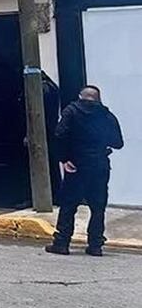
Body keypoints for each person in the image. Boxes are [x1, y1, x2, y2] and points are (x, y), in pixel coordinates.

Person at [45, 85, 124, 257]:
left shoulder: (71, 111)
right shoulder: (106, 115)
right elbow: (118, 142)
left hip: (76, 165)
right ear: (98, 98)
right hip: (99, 165)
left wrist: (64, 159)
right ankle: (95, 245)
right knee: (98, 206)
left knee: (68, 205)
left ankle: (62, 243)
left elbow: (59, 134)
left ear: (80, 96)